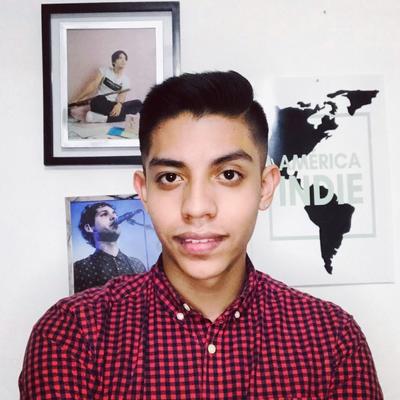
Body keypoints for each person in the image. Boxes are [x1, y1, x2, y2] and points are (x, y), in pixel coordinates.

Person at [19, 71, 383, 399]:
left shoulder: (332, 339)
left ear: (265, 187)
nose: (196, 207)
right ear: (144, 191)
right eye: (170, 177)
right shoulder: (73, 335)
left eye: (228, 175)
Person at [73, 202, 146, 293]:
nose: (114, 217)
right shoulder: (79, 269)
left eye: (114, 213)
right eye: (104, 214)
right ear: (89, 228)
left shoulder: (137, 264)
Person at [70, 50, 142, 123]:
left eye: (125, 59)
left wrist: (119, 105)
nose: (123, 61)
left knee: (138, 103)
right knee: (96, 100)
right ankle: (114, 117)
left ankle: (101, 118)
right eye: (120, 58)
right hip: (101, 102)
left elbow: (122, 96)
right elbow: (93, 85)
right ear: (114, 62)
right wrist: (78, 98)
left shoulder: (126, 80)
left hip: (113, 105)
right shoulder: (104, 70)